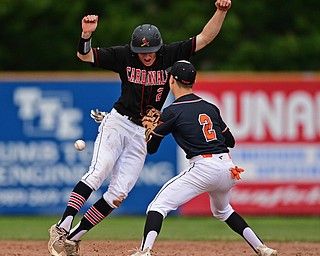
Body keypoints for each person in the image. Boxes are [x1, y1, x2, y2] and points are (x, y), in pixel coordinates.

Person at [48, 1, 232, 256]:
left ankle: (73, 239)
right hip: (118, 122)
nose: (147, 55)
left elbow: (205, 38)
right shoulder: (125, 55)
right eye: (142, 51)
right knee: (98, 172)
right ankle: (62, 225)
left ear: (159, 47)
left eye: (151, 50)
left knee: (118, 194)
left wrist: (220, 11)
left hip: (140, 133)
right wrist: (86, 35)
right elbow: (85, 55)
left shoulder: (170, 54)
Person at [130, 61, 278, 256]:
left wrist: (152, 131)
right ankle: (262, 248)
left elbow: (152, 149)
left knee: (158, 206)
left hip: (204, 167)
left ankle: (144, 251)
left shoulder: (172, 111)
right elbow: (230, 141)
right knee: (223, 211)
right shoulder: (210, 107)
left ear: (171, 80)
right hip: (228, 168)